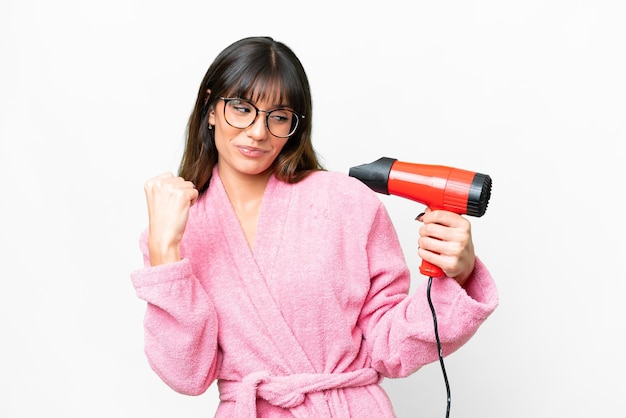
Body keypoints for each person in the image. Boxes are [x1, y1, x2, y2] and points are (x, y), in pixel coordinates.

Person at [130, 36, 498, 418]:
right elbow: (187, 375)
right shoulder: (175, 230)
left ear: (295, 124)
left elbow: (389, 346)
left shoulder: (346, 201)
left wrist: (459, 274)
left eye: (279, 116)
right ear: (209, 107)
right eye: (241, 108)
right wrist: (164, 250)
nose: (258, 131)